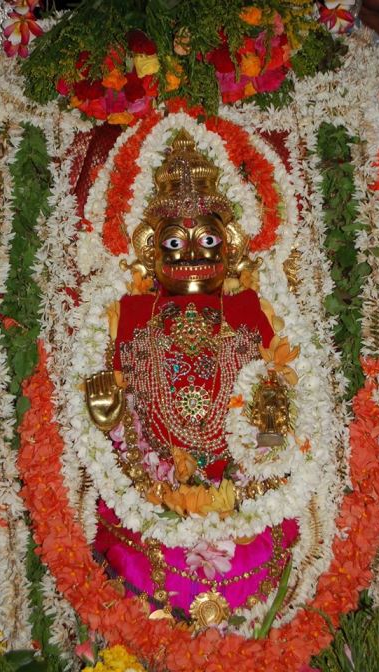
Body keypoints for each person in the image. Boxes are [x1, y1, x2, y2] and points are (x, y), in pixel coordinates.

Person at [85, 130, 298, 629]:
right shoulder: (129, 313)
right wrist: (107, 413)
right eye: (173, 243)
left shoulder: (250, 309)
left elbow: (281, 395)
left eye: (207, 240)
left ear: (230, 245)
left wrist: (266, 448)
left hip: (245, 493)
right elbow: (113, 416)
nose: (189, 255)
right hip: (148, 497)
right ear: (151, 250)